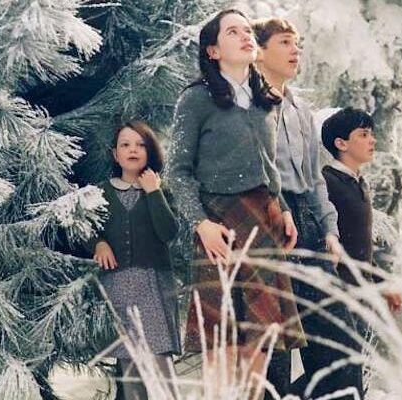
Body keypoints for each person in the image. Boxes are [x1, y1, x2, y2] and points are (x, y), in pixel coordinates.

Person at [166, 8, 306, 396]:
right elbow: (177, 172)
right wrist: (201, 224)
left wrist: (284, 209)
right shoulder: (195, 100)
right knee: (222, 338)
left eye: (247, 30)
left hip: (266, 222)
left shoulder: (266, 101)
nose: (245, 36)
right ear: (212, 51)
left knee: (262, 337)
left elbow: (269, 167)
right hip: (218, 225)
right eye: (232, 32)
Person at [254, 18, 363, 400]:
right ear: (260, 51)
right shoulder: (246, 107)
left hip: (310, 228)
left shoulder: (300, 108)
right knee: (275, 358)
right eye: (285, 42)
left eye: (297, 43)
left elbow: (314, 177)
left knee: (342, 348)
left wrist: (329, 231)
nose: (295, 50)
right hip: (268, 223)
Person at [86, 121, 180, 399]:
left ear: (150, 151)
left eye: (140, 144)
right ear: (115, 154)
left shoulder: (161, 191)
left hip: (153, 286)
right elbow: (86, 228)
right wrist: (98, 243)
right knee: (129, 365)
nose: (133, 150)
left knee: (159, 360)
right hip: (117, 287)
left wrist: (153, 192)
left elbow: (168, 232)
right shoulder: (100, 192)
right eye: (125, 145)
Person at [321, 107, 402, 337]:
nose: (372, 140)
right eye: (364, 135)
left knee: (358, 358)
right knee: (343, 358)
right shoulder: (328, 183)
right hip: (337, 297)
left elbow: (359, 248)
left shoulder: (359, 183)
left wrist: (383, 284)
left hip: (359, 296)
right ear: (341, 143)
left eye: (372, 134)